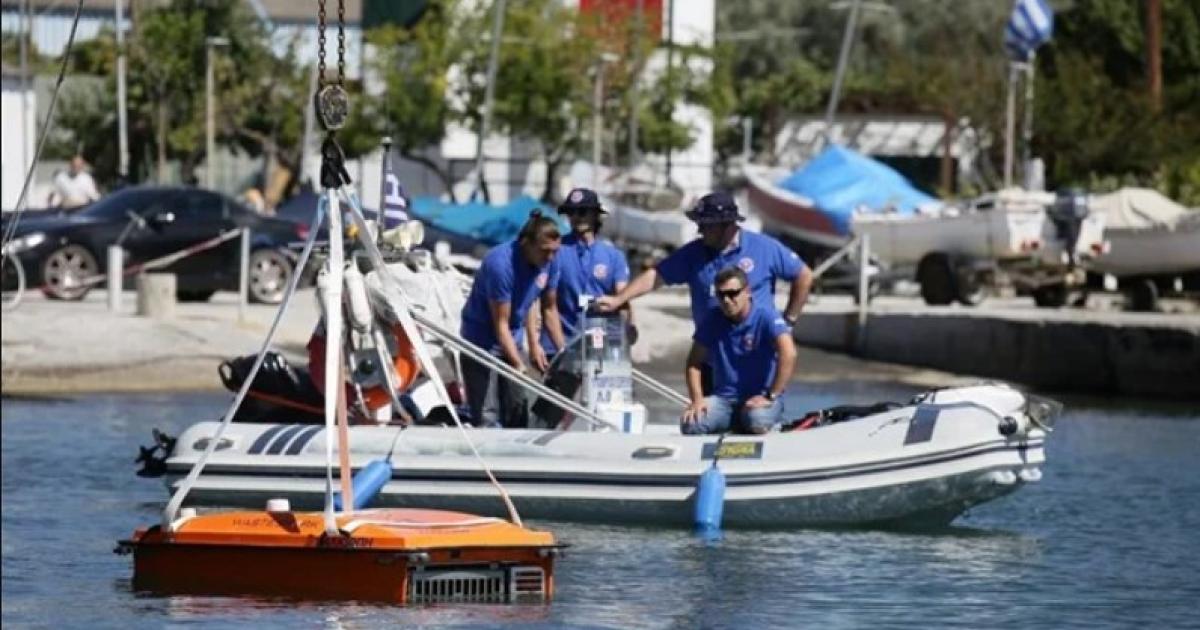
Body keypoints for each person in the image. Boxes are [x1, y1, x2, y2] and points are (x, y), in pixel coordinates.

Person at [595, 190, 813, 391]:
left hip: (757, 360)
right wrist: (619, 299)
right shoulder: (693, 253)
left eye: (706, 224)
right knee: (705, 417)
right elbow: (656, 276)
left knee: (756, 416)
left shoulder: (764, 247)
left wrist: (789, 321)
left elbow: (803, 275)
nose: (699, 230)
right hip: (711, 361)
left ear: (727, 225)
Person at [459, 212, 566, 427]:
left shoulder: (550, 260)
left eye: (555, 251)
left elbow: (541, 304)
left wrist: (544, 347)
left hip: (513, 338)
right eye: (545, 251)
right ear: (526, 243)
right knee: (487, 416)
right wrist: (519, 365)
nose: (550, 257)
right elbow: (501, 324)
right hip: (481, 342)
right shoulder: (500, 265)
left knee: (518, 412)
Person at [681, 267, 796, 435]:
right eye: (721, 295)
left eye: (732, 293)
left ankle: (764, 425)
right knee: (691, 424)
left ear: (747, 292)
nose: (727, 300)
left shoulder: (766, 316)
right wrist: (697, 400)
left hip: (759, 400)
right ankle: (733, 425)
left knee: (756, 419)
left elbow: (789, 353)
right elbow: (694, 362)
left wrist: (771, 395)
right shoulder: (713, 318)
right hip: (724, 400)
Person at [528, 187, 632, 366]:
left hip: (599, 348)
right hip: (556, 346)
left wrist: (628, 330)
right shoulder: (554, 250)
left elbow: (623, 300)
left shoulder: (614, 256)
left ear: (595, 215)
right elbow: (536, 298)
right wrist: (535, 343)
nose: (576, 217)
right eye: (571, 212)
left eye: (582, 211)